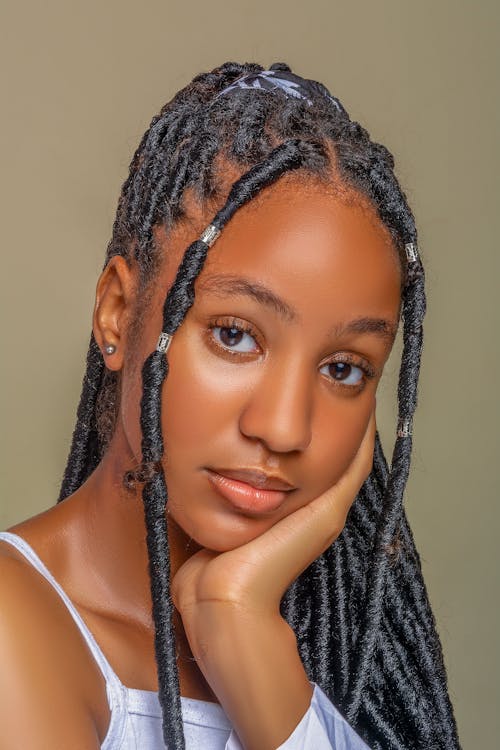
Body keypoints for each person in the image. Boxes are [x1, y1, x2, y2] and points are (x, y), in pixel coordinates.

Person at [0, 62, 461, 750]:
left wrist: (241, 624)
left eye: (343, 369)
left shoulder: (314, 658)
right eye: (235, 335)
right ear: (118, 314)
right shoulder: (15, 632)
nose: (282, 426)